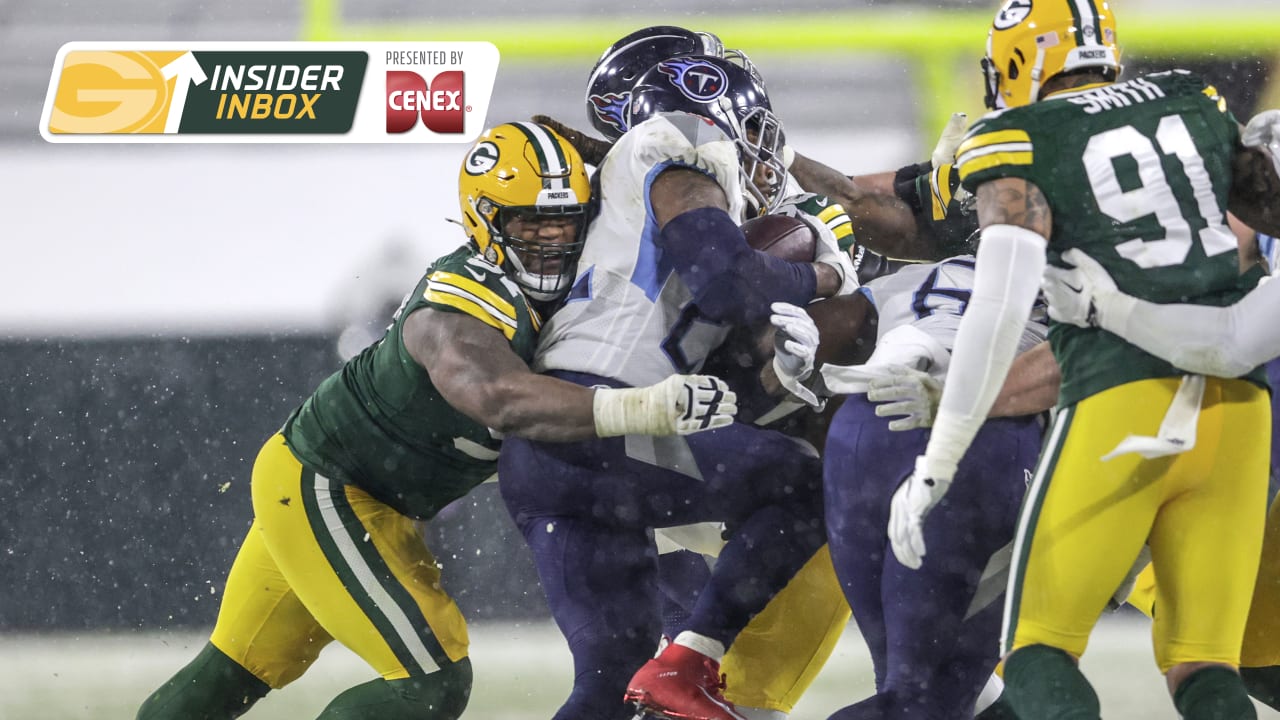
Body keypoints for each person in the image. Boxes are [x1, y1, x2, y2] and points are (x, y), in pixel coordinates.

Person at [135, 121, 737, 720]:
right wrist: (646, 406)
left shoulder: (573, 286)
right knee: (428, 684)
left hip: (371, 497)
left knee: (233, 671)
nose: (553, 238)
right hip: (329, 486)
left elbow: (632, 178)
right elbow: (501, 398)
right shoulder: (459, 300)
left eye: (566, 221)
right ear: (486, 220)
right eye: (532, 222)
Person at [888, 0, 1280, 717]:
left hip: (1120, 398)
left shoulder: (1015, 138)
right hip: (1244, 408)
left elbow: (997, 312)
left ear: (1015, 60)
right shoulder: (1194, 99)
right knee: (1206, 667)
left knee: (1039, 650)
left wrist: (937, 461)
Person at [497, 54, 858, 720]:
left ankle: (677, 663)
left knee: (608, 686)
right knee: (802, 484)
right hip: (608, 429)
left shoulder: (617, 198)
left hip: (543, 456)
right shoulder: (684, 141)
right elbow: (726, 284)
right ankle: (692, 663)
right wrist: (824, 280)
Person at [768, 248, 1053, 719]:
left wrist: (787, 360)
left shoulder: (917, 276)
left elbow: (810, 340)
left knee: (910, 687)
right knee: (927, 700)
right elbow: (1081, 365)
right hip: (983, 435)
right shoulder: (1083, 270)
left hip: (865, 427)